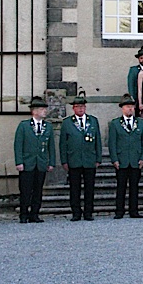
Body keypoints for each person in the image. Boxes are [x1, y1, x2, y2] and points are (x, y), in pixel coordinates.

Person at [59, 94, 101, 222]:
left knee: (89, 188)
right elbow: (63, 143)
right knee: (74, 188)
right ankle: (76, 212)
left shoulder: (93, 120)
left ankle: (88, 212)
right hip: (74, 159)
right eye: (78, 106)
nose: (80, 109)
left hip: (89, 159)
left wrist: (98, 158)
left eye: (82, 106)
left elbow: (98, 141)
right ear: (73, 108)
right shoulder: (67, 122)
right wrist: (64, 160)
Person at [14, 96, 56, 223]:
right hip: (27, 163)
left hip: (41, 162)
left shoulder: (48, 126)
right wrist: (19, 162)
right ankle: (23, 214)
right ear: (34, 111)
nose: (45, 111)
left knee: (38, 190)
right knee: (25, 190)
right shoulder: (24, 126)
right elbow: (18, 145)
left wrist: (51, 162)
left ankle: (35, 214)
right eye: (42, 109)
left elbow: (51, 146)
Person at [109, 94, 143, 219]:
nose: (130, 109)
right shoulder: (115, 124)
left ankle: (134, 210)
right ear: (122, 108)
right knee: (121, 187)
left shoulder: (140, 123)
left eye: (131, 106)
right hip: (122, 160)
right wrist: (114, 159)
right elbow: (112, 143)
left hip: (135, 160)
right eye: (127, 106)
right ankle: (119, 211)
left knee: (134, 187)